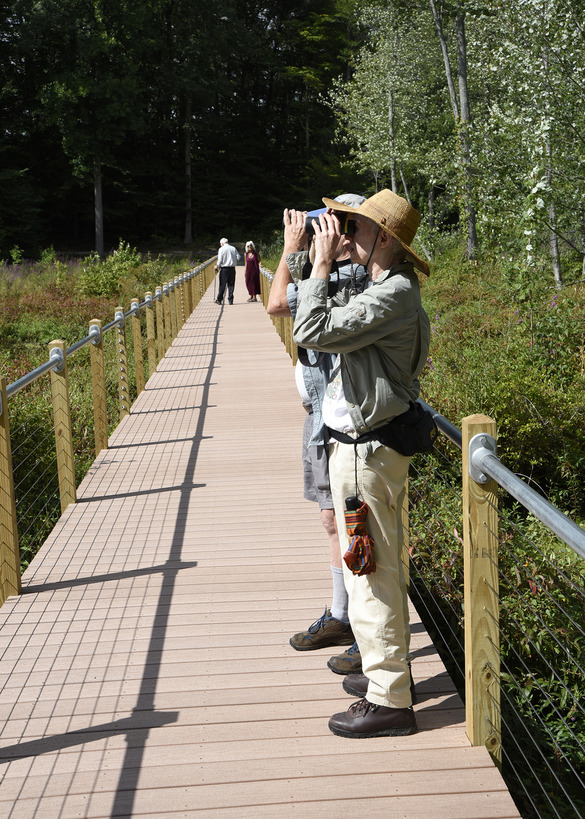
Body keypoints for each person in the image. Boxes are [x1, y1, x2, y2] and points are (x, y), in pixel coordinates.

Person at [293, 189, 431, 738]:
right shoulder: (383, 288)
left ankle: (390, 701)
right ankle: (386, 673)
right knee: (377, 570)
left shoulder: (392, 294)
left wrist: (322, 263)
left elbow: (309, 331)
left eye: (359, 227)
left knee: (368, 571)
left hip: (366, 452)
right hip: (364, 448)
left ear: (386, 240)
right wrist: (319, 260)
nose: (347, 232)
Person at [267, 194, 367, 674]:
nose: (319, 229)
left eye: (330, 223)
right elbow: (278, 303)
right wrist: (308, 258)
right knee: (332, 523)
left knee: (357, 527)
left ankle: (365, 630)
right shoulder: (325, 274)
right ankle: (342, 616)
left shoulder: (359, 280)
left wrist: (296, 252)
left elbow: (278, 305)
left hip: (346, 422)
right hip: (319, 418)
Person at [215, 237, 239, 304]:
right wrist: (233, 261)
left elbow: (219, 260)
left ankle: (219, 299)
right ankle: (230, 300)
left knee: (222, 284)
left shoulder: (221, 249)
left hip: (224, 269)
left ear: (222, 243)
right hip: (232, 268)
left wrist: (217, 266)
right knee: (231, 284)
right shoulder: (233, 248)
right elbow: (238, 257)